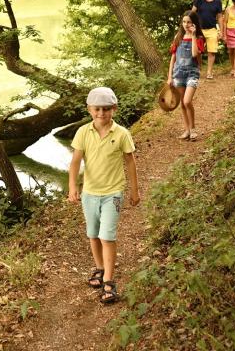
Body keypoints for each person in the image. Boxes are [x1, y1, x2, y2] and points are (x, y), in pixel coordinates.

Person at [67, 87, 140, 305]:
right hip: (90, 193)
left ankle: (109, 280)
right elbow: (75, 162)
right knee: (93, 234)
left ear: (114, 109)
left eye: (106, 109)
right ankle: (99, 268)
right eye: (97, 109)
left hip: (113, 193)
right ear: (90, 109)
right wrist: (73, 186)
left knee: (107, 235)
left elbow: (130, 162)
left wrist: (135, 190)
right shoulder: (83, 132)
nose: (102, 113)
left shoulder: (121, 134)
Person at [167, 11, 206, 141]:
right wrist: (169, 77)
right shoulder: (178, 37)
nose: (186, 24)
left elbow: (195, 54)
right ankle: (187, 130)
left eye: (189, 22)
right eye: (184, 22)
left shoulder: (199, 37)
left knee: (187, 101)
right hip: (178, 74)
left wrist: (194, 35)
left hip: (192, 73)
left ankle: (193, 129)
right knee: (182, 104)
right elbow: (173, 58)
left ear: (194, 23)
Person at [191, 0, 223, 79]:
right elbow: (192, 13)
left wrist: (221, 31)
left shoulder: (218, 1)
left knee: (211, 52)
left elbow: (220, 17)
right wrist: (191, 26)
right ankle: (199, 67)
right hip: (200, 30)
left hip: (212, 29)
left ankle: (209, 72)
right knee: (198, 51)